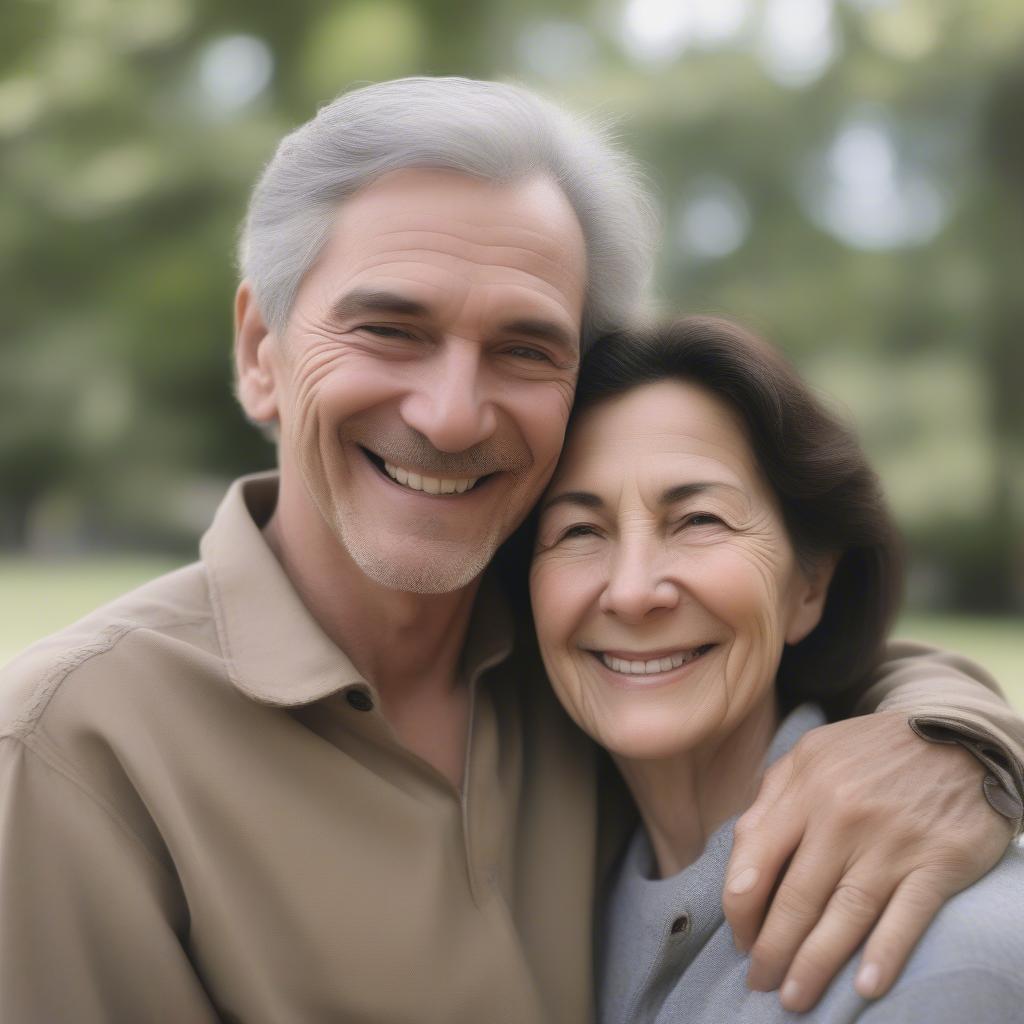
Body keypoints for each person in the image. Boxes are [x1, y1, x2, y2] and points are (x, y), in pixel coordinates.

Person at [0, 78, 1021, 1023]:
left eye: (524, 348)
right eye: (390, 329)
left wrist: (952, 742)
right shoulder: (69, 752)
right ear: (259, 352)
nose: (450, 416)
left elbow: (786, 633)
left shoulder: (584, 658)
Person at [530, 316, 1024, 1022]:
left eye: (699, 519)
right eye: (579, 530)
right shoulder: (553, 891)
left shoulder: (952, 960)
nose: (632, 591)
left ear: (810, 585)